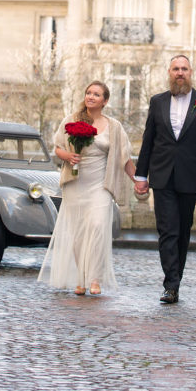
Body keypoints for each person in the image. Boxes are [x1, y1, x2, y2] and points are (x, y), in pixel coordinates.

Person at [134, 55, 196, 304]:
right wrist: (141, 175)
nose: (179, 73)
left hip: (190, 176)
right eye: (175, 69)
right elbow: (148, 140)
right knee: (167, 231)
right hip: (161, 176)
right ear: (169, 72)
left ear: (190, 72)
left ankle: (176, 280)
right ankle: (170, 285)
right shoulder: (157, 101)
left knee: (182, 231)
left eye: (184, 69)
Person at [38, 81, 136, 296]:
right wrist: (68, 156)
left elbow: (124, 158)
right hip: (76, 183)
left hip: (100, 184)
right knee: (78, 234)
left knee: (99, 226)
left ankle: (95, 278)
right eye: (88, 93)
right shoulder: (71, 120)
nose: (91, 96)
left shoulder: (114, 127)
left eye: (97, 94)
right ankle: (81, 279)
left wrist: (138, 180)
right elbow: (57, 148)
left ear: (105, 101)